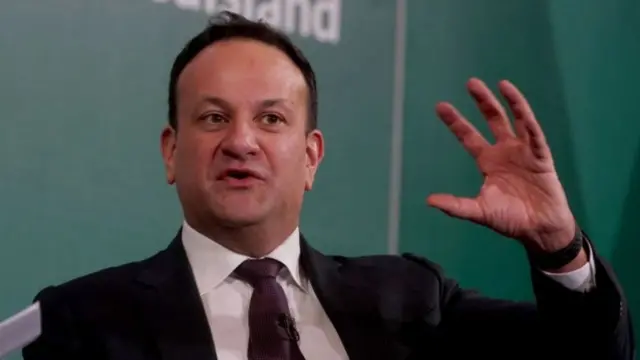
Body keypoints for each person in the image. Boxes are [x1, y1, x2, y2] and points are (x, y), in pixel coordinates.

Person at [22, 11, 633, 360]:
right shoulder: (80, 320)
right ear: (171, 151)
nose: (241, 141)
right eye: (213, 118)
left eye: (271, 118)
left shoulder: (409, 299)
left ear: (311, 157)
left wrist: (558, 247)